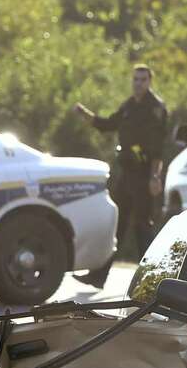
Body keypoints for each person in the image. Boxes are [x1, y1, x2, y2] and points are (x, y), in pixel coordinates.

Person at [72, 64, 168, 289]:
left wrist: (155, 177)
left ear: (150, 82)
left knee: (142, 227)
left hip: (144, 175)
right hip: (126, 174)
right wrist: (85, 114)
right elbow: (107, 125)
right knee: (117, 225)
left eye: (143, 79)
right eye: (135, 79)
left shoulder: (156, 108)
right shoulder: (128, 106)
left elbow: (158, 148)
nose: (138, 83)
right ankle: (98, 276)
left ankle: (155, 280)